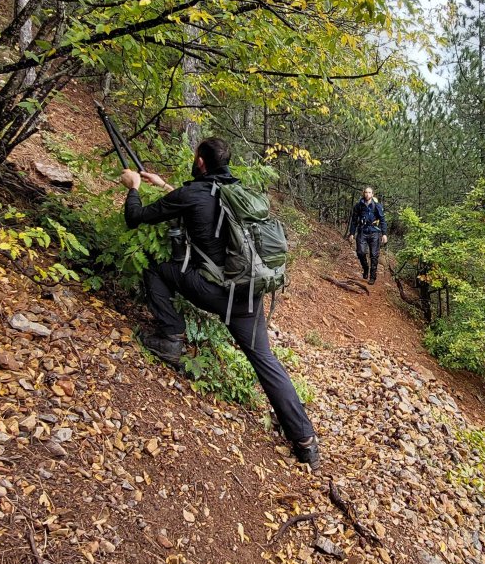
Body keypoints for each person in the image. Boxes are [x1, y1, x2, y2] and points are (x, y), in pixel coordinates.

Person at [120, 137, 320, 468]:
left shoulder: (192, 194)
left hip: (213, 291)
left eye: (195, 156)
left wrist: (135, 186)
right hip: (249, 293)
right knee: (265, 360)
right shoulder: (239, 193)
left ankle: (170, 336)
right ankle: (306, 442)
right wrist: (163, 184)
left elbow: (135, 217)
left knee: (157, 269)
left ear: (200, 162)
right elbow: (208, 211)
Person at [347, 186, 387, 285]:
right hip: (362, 231)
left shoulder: (377, 206)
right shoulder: (358, 206)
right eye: (366, 192)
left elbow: (382, 220)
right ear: (363, 193)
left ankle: (372, 277)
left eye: (369, 193)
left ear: (372, 194)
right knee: (360, 252)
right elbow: (354, 220)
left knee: (374, 255)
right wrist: (352, 233)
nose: (367, 194)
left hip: (374, 232)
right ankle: (365, 268)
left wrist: (384, 234)